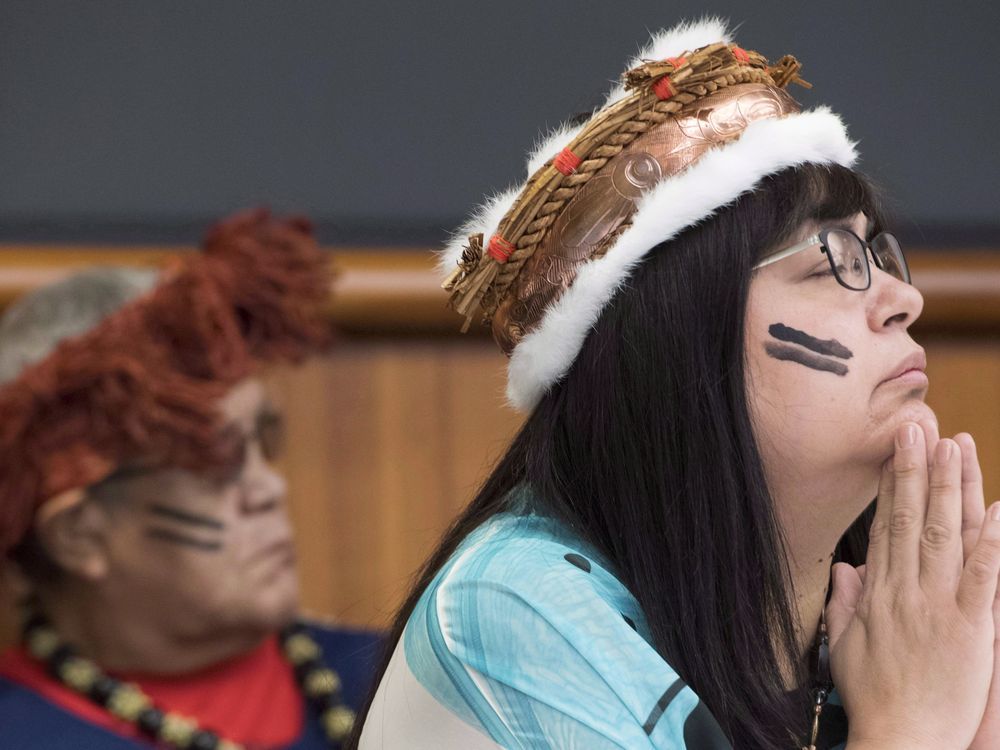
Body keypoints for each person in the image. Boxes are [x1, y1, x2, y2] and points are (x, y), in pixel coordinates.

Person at [353, 19, 1000, 750]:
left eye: (877, 255)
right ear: (682, 338)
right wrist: (910, 728)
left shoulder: (888, 630)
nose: (903, 298)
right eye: (831, 261)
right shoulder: (512, 612)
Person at [0, 210, 379, 749]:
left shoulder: (403, 683)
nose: (271, 489)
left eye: (264, 441)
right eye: (217, 463)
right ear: (78, 534)